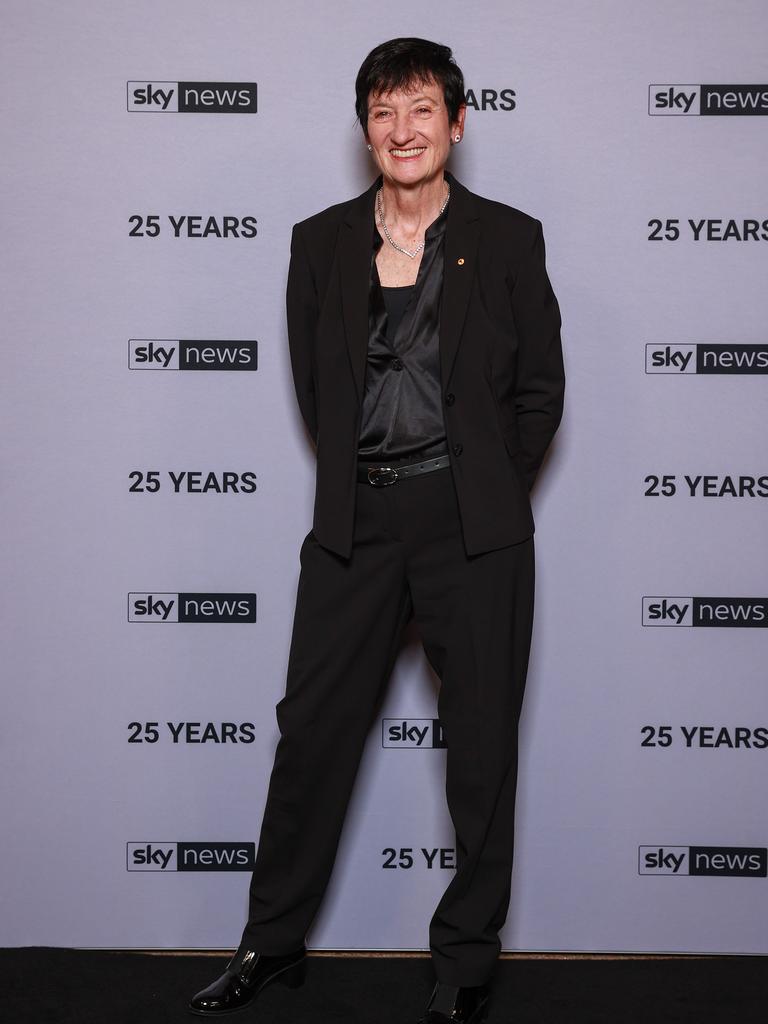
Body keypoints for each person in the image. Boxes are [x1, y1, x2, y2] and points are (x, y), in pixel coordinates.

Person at [189, 36, 564, 1024]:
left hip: (471, 528)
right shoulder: (318, 243)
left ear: (458, 122)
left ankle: (466, 960)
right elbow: (320, 394)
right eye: (384, 112)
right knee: (310, 736)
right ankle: (271, 942)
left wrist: (479, 483)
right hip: (355, 523)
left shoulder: (511, 238)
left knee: (479, 747)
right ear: (366, 130)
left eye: (422, 109)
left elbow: (538, 393)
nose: (404, 129)